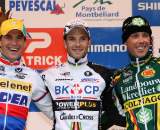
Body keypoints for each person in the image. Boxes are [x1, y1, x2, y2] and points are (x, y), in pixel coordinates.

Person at [41, 19, 126, 130]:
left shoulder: (104, 74)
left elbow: (116, 114)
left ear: (89, 42)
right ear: (65, 43)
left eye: (82, 39)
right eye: (72, 39)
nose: (77, 44)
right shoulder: (48, 75)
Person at [0, 16, 53, 129]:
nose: (14, 43)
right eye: (8, 37)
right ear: (0, 41)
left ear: (25, 43)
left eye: (19, 38)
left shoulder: (32, 76)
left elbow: (55, 113)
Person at [111, 15, 159, 130]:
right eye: (135, 36)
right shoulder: (118, 78)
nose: (141, 40)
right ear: (125, 42)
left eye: (145, 35)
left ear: (151, 40)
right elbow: (117, 115)